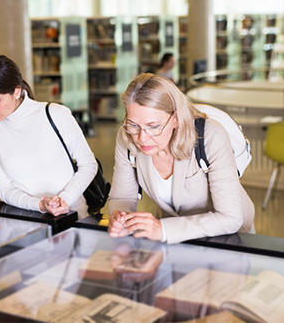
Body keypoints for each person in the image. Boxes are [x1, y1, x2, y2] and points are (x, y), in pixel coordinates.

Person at [108, 73, 255, 243]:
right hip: (171, 236)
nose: (142, 138)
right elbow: (122, 198)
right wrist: (121, 218)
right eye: (133, 125)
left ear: (176, 119)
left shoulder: (211, 136)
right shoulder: (126, 137)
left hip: (227, 237)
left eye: (154, 126)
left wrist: (163, 230)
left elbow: (230, 218)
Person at [0, 55, 98, 219]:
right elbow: (4, 188)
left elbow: (88, 164)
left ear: (16, 91)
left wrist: (64, 200)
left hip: (72, 217)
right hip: (24, 222)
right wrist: (40, 205)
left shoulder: (55, 114)